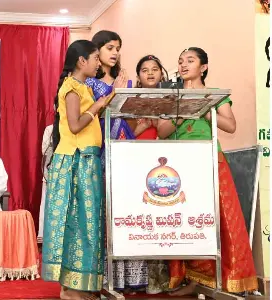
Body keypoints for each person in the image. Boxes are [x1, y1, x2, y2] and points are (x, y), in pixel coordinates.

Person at [157, 47, 258, 295]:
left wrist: (204, 108)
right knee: (186, 222)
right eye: (180, 61)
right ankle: (192, 279)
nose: (183, 65)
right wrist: (183, 112)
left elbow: (230, 125)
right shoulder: (173, 97)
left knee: (219, 219)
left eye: (190, 60)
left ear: (203, 67)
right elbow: (162, 131)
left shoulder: (215, 95)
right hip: (181, 165)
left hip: (210, 160)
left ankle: (228, 278)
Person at [42, 40, 113, 300]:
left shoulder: (82, 87)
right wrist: (97, 107)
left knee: (87, 224)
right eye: (95, 58)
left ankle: (80, 285)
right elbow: (73, 126)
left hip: (86, 161)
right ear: (82, 61)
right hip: (76, 161)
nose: (98, 63)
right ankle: (71, 289)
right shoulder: (72, 87)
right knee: (77, 224)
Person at [86, 30, 148, 293]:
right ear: (96, 51)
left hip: (126, 152)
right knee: (104, 212)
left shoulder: (127, 82)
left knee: (127, 211)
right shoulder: (88, 83)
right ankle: (102, 277)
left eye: (118, 48)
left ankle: (129, 278)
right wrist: (115, 92)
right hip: (101, 153)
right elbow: (92, 117)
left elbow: (130, 119)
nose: (115, 53)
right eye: (110, 47)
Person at [133, 55, 170, 294]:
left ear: (161, 74)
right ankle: (138, 279)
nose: (149, 73)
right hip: (136, 160)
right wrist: (147, 125)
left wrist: (154, 120)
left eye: (154, 69)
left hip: (162, 164)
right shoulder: (130, 100)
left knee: (162, 218)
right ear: (138, 76)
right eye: (144, 70)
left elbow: (166, 130)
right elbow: (129, 131)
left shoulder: (169, 99)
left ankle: (160, 280)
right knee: (140, 217)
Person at [38, 124, 53, 239]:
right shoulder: (50, 129)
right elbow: (44, 151)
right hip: (51, 171)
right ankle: (43, 237)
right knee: (47, 204)